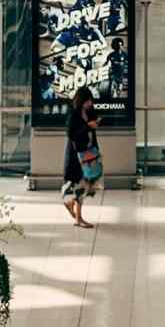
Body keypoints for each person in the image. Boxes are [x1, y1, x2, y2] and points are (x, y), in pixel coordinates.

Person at [62, 86, 102, 229]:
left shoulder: (89, 111)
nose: (90, 104)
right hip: (77, 156)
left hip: (90, 153)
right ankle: (78, 218)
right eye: (87, 101)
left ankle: (72, 205)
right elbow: (72, 134)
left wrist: (94, 123)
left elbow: (92, 125)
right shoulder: (73, 114)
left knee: (87, 183)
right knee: (80, 185)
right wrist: (87, 126)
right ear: (81, 101)